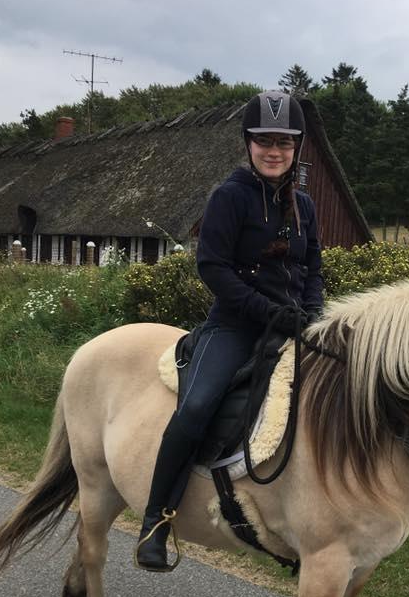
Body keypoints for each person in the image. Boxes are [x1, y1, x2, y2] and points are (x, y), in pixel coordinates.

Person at [135, 90, 324, 570]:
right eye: (265, 141)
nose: (274, 151)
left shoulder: (304, 203)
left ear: (296, 147)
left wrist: (314, 314)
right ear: (248, 144)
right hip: (235, 327)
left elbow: (313, 267)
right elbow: (213, 267)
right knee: (196, 408)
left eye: (284, 142)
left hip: (294, 327)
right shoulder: (229, 196)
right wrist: (266, 310)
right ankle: (154, 522)